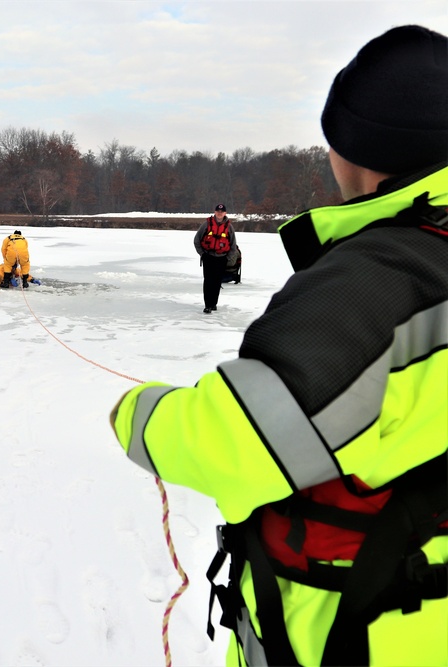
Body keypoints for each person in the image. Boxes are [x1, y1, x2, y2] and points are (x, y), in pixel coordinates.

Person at [110, 25, 447, 667]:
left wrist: (138, 414)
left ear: (360, 154)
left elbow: (241, 439)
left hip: (371, 637)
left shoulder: (378, 281)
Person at [194, 203, 236, 312]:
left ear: (225, 213)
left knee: (217, 282)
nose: (219, 213)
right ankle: (208, 305)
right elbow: (197, 240)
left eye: (222, 212)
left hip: (222, 258)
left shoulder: (229, 227)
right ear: (215, 212)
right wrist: (202, 254)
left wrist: (228, 258)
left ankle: (213, 304)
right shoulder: (207, 224)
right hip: (208, 257)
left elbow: (233, 244)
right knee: (208, 281)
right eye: (218, 211)